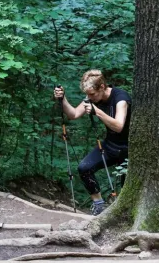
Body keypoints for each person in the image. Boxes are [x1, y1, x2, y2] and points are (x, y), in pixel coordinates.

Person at [54, 70, 131, 215]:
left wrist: (97, 112)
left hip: (130, 148)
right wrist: (62, 98)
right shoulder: (93, 97)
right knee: (84, 168)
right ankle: (99, 206)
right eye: (87, 95)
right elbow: (73, 114)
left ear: (102, 87)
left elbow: (119, 126)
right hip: (110, 145)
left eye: (92, 94)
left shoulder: (121, 98)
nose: (89, 98)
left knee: (126, 187)